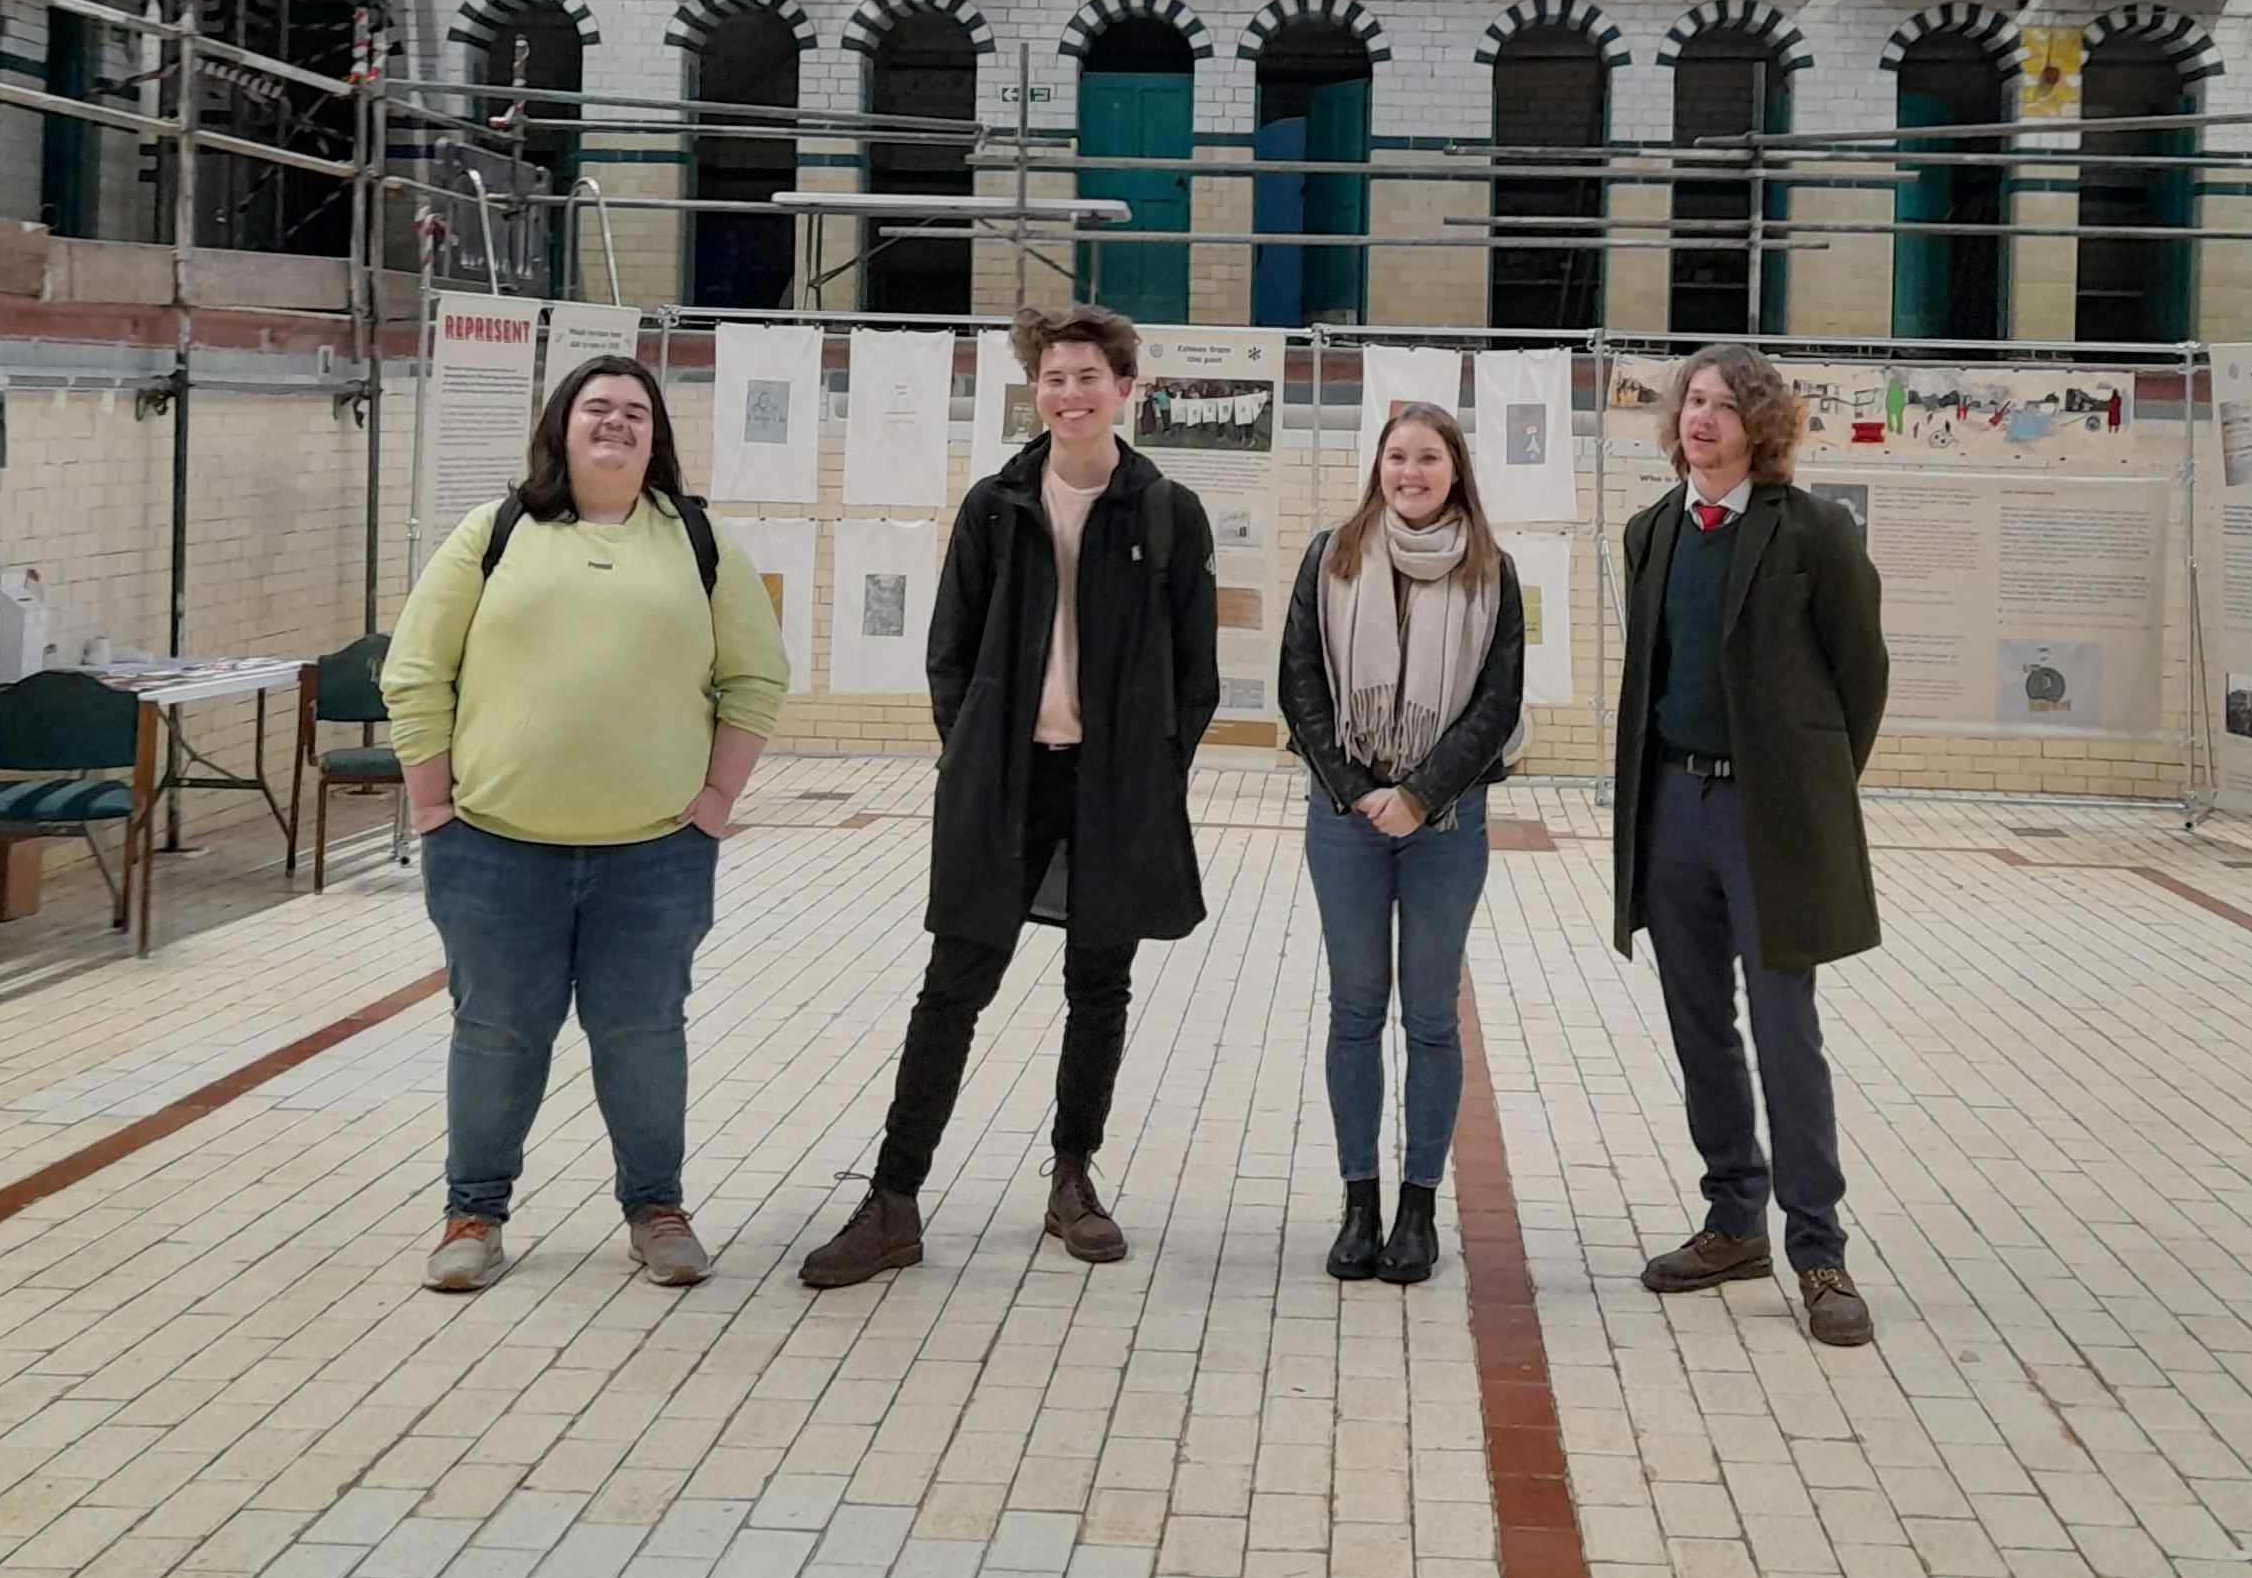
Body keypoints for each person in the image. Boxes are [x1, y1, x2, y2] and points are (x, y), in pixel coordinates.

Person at [800, 302, 1219, 1289]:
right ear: (1037, 391)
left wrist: (1152, 770)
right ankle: (894, 1197)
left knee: (1098, 988)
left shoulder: (1166, 509)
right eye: (1053, 378)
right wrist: (977, 751)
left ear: (1125, 389)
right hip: (1008, 778)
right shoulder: (996, 504)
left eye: (1087, 378)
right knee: (953, 986)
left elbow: (1195, 674)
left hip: (1114, 784)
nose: (1069, 394)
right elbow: (949, 649)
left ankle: (1072, 1178)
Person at [383, 353, 786, 1295]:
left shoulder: (696, 541)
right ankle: (473, 1213)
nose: (616, 423)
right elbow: (414, 671)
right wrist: (434, 803)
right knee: (497, 1034)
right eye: (597, 408)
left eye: (636, 412)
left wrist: (717, 802)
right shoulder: (497, 531)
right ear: (561, 425)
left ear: (658, 435)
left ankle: (657, 1210)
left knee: (643, 1034)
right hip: (492, 848)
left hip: (654, 856)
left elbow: (756, 678)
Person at [1608, 343, 1892, 1346]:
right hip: (1672, 810)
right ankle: (1734, 1221)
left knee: (1785, 1032)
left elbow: (1860, 681)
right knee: (1700, 1029)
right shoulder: (1651, 533)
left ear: (1759, 426)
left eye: (1725, 406)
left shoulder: (1814, 531)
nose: (1703, 418)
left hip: (1767, 818)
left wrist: (1805, 795)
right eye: (1694, 401)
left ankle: (1818, 1248)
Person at [1278, 401, 1525, 1286]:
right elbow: (1298, 682)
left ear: (1456, 470)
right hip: (1345, 820)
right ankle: (1358, 1206)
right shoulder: (1331, 556)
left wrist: (1419, 796)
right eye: (1396, 458)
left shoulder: (1494, 572)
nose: (1409, 473)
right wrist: (1359, 791)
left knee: (1428, 1016)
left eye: (1427, 458)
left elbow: (1499, 705)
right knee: (1354, 1011)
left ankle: (1418, 1211)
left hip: (1446, 824)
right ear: (1376, 467)